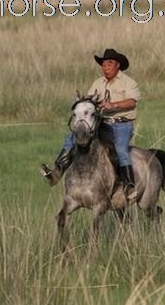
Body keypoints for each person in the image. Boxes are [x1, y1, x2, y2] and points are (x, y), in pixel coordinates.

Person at [41, 48, 140, 201]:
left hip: (122, 125)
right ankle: (57, 171)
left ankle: (129, 184)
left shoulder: (128, 82)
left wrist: (113, 105)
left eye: (109, 63)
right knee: (73, 138)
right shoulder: (97, 83)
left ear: (117, 65)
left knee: (120, 148)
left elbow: (132, 101)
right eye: (103, 64)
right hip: (102, 123)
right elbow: (89, 101)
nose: (105, 66)